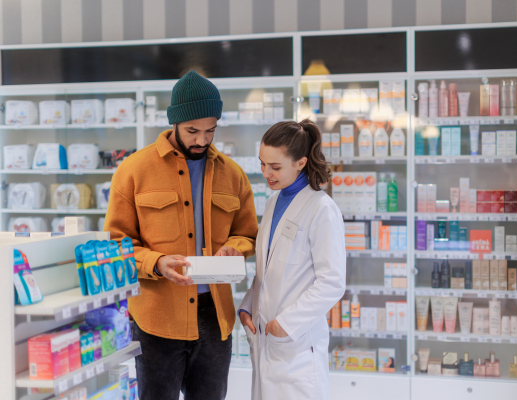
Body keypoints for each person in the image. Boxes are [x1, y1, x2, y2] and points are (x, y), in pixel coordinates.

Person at [104, 70, 258, 400]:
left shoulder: (233, 174)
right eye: (192, 131)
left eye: (210, 131)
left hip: (215, 319)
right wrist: (156, 262)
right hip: (157, 318)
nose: (202, 140)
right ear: (174, 122)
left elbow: (248, 233)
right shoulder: (134, 170)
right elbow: (116, 241)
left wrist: (235, 246)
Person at [239, 119, 346, 400]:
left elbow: (332, 282)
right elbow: (267, 268)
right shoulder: (273, 201)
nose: (266, 173)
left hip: (295, 346)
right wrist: (248, 305)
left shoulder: (322, 209)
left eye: (275, 167)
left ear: (300, 163)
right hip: (265, 339)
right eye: (262, 163)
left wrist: (285, 324)